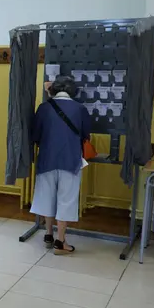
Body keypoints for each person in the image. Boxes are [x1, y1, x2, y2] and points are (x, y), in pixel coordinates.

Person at [30, 75, 92, 255]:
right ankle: (61, 241)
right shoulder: (80, 109)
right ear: (73, 91)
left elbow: (35, 135)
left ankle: (48, 234)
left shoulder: (43, 108)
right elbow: (86, 134)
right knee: (66, 199)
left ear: (54, 90)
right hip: (70, 160)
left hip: (47, 159)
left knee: (47, 196)